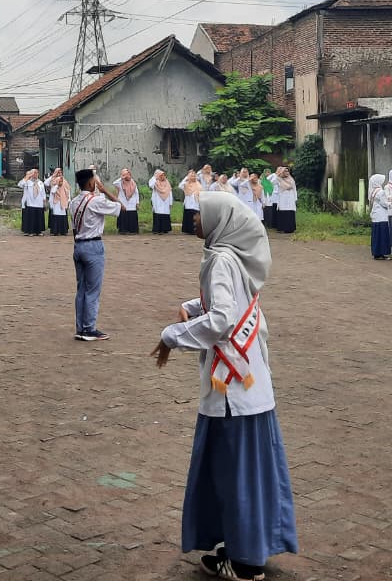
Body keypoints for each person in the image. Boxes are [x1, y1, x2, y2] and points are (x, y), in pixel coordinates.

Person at [151, 192, 298, 580]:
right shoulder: (233, 257)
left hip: (231, 389)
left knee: (234, 476)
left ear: (219, 220)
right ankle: (246, 545)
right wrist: (193, 307)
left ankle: (246, 562)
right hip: (249, 386)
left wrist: (172, 336)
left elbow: (222, 320)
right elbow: (232, 302)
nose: (193, 218)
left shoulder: (220, 259)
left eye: (199, 214)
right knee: (249, 474)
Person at [68, 168, 120, 341]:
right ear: (91, 183)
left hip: (79, 245)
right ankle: (89, 329)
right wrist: (105, 191)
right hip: (93, 246)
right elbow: (121, 207)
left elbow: (74, 229)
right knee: (93, 290)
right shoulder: (96, 200)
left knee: (81, 289)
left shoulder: (74, 202)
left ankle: (80, 328)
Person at [368, 174, 391, 260]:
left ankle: (376, 253)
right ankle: (383, 253)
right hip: (382, 215)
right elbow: (384, 203)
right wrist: (390, 203)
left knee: (376, 235)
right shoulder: (381, 192)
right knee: (383, 235)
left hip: (375, 215)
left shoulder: (373, 192)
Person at [18, 169, 46, 236]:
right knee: (31, 218)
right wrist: (27, 177)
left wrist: (44, 199)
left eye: (37, 173)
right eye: (34, 173)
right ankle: (30, 231)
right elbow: (20, 184)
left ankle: (38, 231)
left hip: (39, 203)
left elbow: (43, 192)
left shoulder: (40, 182)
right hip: (30, 203)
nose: (35, 174)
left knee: (38, 218)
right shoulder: (27, 182)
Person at [113, 169, 140, 234]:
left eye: (128, 174)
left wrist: (137, 203)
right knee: (123, 216)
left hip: (132, 203)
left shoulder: (133, 182)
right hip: (123, 203)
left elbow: (136, 193)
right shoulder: (120, 183)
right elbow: (114, 183)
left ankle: (133, 230)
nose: (127, 176)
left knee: (132, 217)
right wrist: (122, 177)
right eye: (126, 174)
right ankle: (123, 230)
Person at [47, 169, 71, 236]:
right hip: (56, 201)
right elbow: (52, 191)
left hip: (63, 201)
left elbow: (68, 190)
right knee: (56, 215)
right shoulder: (54, 183)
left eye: (61, 181)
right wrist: (57, 185)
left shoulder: (65, 182)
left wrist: (69, 199)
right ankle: (55, 231)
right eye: (60, 181)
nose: (61, 182)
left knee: (63, 215)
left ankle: (63, 231)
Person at [273, 168, 297, 235]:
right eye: (285, 171)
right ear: (282, 172)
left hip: (290, 198)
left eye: (287, 171)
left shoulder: (291, 179)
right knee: (283, 212)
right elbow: (270, 182)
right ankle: (282, 228)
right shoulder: (278, 179)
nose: (287, 172)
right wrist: (277, 175)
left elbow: (294, 189)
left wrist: (295, 199)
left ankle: (290, 229)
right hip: (282, 198)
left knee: (290, 213)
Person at [150, 170, 174, 234]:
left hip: (166, 202)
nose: (162, 177)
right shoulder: (155, 183)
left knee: (165, 215)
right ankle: (157, 229)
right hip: (157, 202)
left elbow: (170, 193)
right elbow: (150, 184)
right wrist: (155, 177)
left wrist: (170, 203)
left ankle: (165, 229)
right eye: (161, 175)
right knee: (158, 214)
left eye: (163, 175)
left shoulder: (167, 183)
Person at [181, 170, 202, 235]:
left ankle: (195, 230)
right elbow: (180, 185)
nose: (193, 177)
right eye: (191, 176)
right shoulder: (186, 183)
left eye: (194, 176)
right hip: (188, 203)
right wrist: (186, 178)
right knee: (188, 217)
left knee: (195, 217)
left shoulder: (198, 183)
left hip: (196, 203)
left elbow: (201, 190)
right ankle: (188, 230)